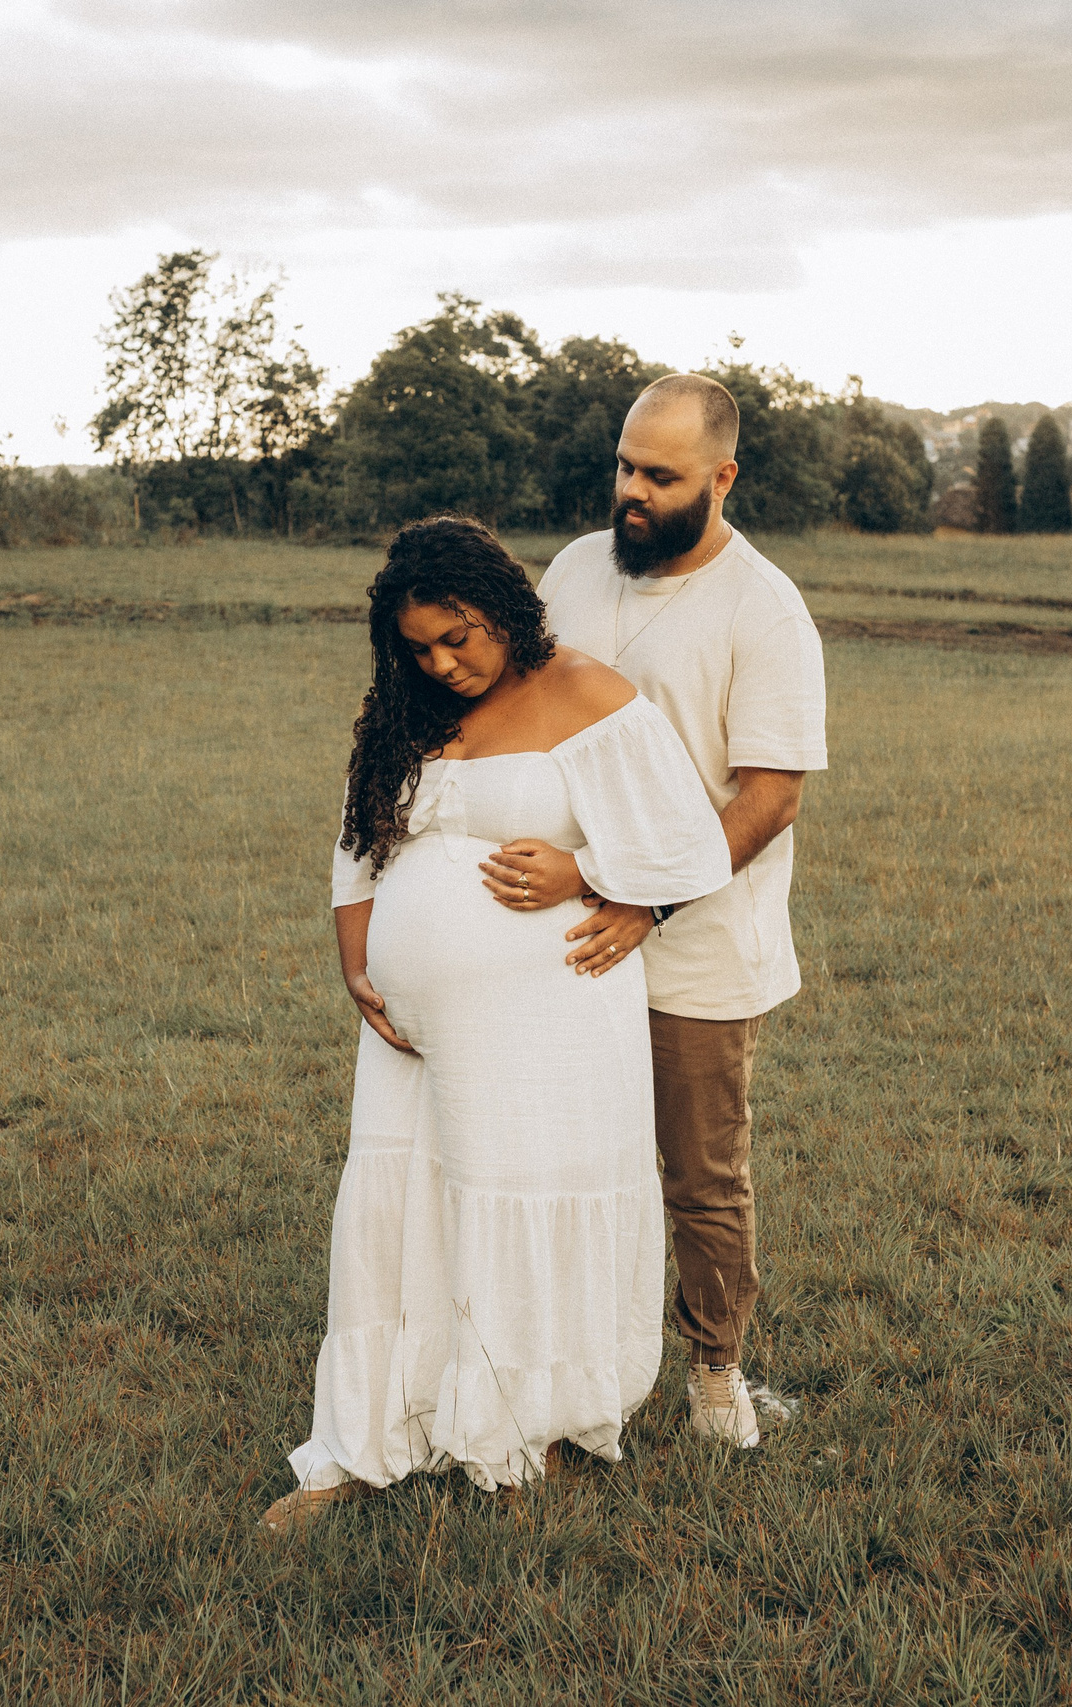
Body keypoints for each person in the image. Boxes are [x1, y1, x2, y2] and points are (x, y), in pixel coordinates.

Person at [264, 517, 730, 1534]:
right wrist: (357, 959)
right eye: (419, 646)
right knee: (404, 1213)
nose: (441, 661)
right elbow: (358, 847)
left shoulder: (584, 691)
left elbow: (690, 844)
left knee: (517, 1196)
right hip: (408, 1036)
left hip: (549, 1017)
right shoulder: (404, 710)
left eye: (458, 635)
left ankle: (525, 1437)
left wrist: (594, 878)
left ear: (504, 608)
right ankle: (365, 1437)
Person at [500, 374, 828, 1451]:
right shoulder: (573, 570)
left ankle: (713, 1373)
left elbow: (769, 796)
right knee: (559, 1154)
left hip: (693, 943)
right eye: (623, 467)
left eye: (659, 475)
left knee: (698, 1172)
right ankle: (561, 1370)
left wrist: (640, 895)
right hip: (562, 927)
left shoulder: (763, 609)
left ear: (722, 478)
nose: (630, 492)